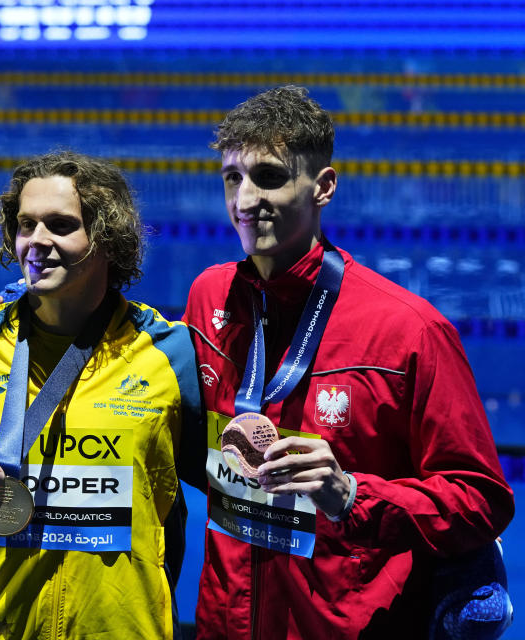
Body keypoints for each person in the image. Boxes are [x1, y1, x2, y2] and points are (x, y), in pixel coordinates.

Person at [181, 86, 515, 639]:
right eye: (232, 177)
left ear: (323, 187)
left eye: (268, 176)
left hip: (347, 627)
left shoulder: (408, 331)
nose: (243, 199)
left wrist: (354, 495)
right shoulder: (209, 298)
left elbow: (480, 498)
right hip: (226, 624)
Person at [0, 151, 201, 639]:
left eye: (61, 225)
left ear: (108, 237)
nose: (37, 241)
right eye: (25, 225)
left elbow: (215, 493)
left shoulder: (171, 354)